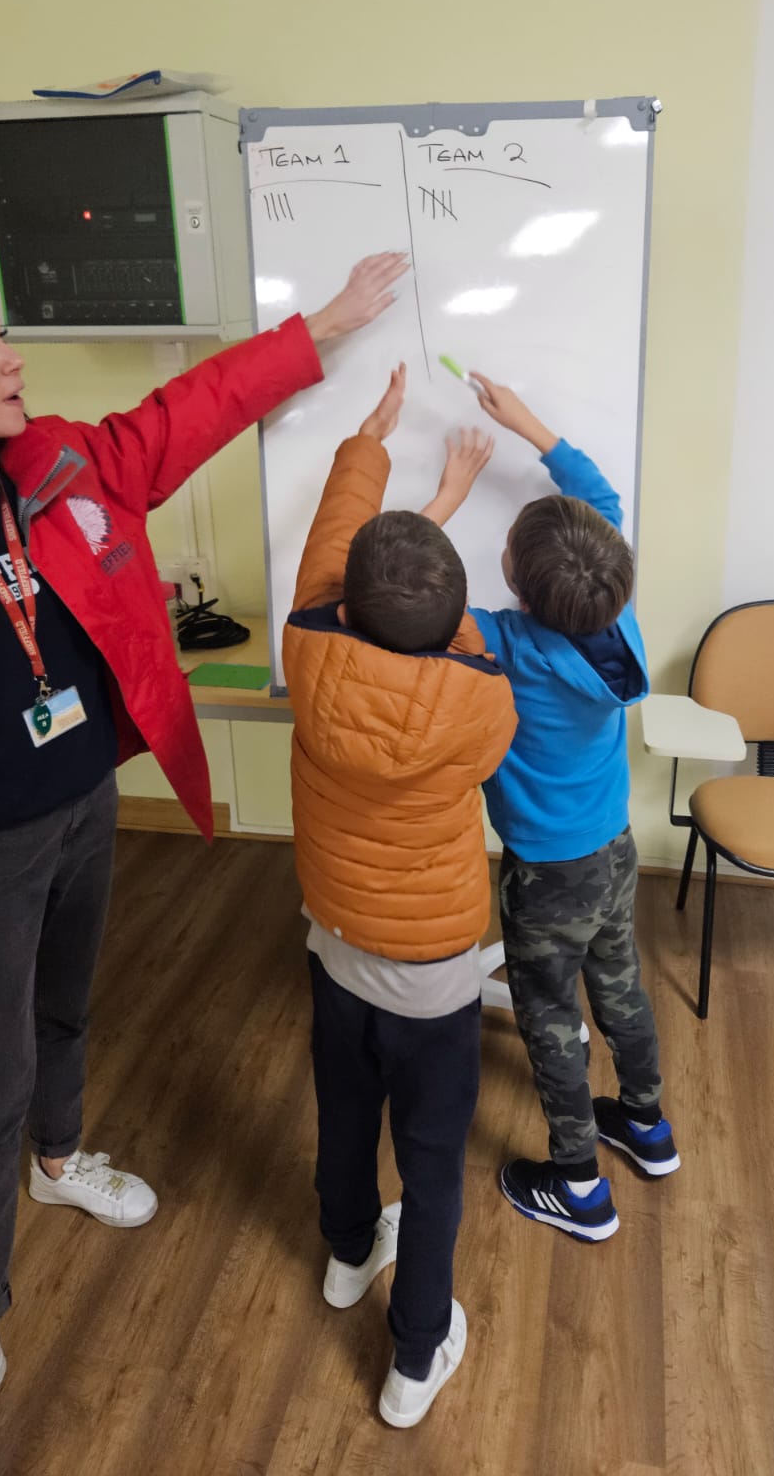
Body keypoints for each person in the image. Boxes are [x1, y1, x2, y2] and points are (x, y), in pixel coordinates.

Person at [0, 250, 407, 1476]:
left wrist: (327, 323)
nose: (10, 357)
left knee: (69, 1005)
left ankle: (63, 1160)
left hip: (82, 804)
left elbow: (191, 412)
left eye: (0, 332)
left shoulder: (57, 461)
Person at [281, 366, 515, 1428]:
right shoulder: (479, 699)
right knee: (430, 1166)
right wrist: (455, 505)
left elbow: (336, 536)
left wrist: (370, 440)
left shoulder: (307, 644)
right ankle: (415, 1356)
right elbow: (451, 643)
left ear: (342, 603)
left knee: (343, 1119)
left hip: (337, 950)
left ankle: (345, 1255)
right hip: (433, 984)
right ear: (457, 620)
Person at [459, 373, 680, 1244]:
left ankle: (580, 1186)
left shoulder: (501, 641)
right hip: (614, 851)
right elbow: (602, 505)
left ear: (511, 575)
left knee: (551, 1018)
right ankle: (648, 1126)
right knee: (619, 987)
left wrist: (450, 490)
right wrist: (535, 429)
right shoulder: (618, 622)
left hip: (546, 874)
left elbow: (402, 602)